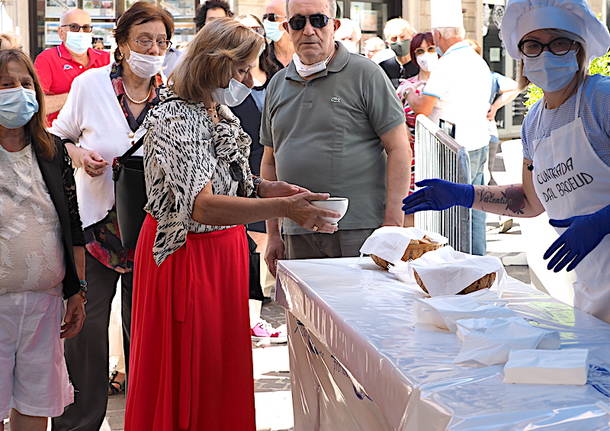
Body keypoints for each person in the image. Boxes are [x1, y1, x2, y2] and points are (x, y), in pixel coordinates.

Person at [124, 18, 338, 430]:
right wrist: (286, 209)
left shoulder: (216, 110)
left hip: (222, 254)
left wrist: (267, 187)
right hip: (187, 256)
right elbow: (201, 205)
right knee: (191, 369)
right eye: (240, 69)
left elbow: (226, 178)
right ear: (211, 64)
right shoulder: (174, 117)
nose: (246, 78)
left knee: (220, 369)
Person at [402, 0, 610, 323]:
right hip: (590, 290)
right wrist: (465, 195)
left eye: (558, 43)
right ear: (521, 55)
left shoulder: (601, 100)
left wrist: (603, 221)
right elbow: (530, 201)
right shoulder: (534, 123)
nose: (545, 54)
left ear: (577, 49)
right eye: (533, 45)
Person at [48, 3, 173, 429]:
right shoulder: (90, 85)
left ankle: (146, 418)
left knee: (146, 332)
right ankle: (79, 422)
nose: (152, 49)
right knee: (85, 331)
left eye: (160, 41)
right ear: (121, 44)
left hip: (152, 230)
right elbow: (57, 138)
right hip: (96, 227)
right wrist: (81, 156)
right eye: (143, 40)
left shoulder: (172, 93)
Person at [261, 0, 412, 274]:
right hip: (297, 229)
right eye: (298, 22)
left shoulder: (366, 74)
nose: (308, 30)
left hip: (359, 228)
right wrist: (273, 233)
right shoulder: (277, 84)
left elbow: (399, 148)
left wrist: (392, 223)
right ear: (287, 28)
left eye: (318, 20)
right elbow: (270, 162)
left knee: (360, 314)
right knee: (303, 315)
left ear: (335, 25)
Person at [0, 48, 85, 431]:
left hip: (44, 305)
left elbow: (72, 225)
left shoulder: (52, 151)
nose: (18, 91)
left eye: (24, 83)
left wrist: (77, 291)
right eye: (5, 85)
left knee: (36, 404)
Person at [405, 0, 492, 255]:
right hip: (479, 142)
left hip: (454, 148)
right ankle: (477, 261)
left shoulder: (448, 64)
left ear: (438, 35)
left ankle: (459, 263)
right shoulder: (478, 61)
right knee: (476, 209)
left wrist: (410, 94)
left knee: (453, 214)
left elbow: (422, 107)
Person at [232, 13, 287, 342]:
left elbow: (329, 101)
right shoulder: (222, 89)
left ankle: (259, 312)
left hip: (267, 164)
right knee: (246, 248)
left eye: (256, 29)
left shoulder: (279, 75)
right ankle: (247, 314)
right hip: (241, 171)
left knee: (265, 243)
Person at [33, 9, 110, 126]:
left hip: (99, 133)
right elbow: (37, 104)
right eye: (74, 27)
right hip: (58, 136)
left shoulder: (106, 59)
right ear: (61, 32)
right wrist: (78, 96)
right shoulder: (46, 59)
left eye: (86, 28)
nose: (81, 32)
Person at [396, 31, 439, 226]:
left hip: (439, 157)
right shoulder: (405, 86)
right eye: (420, 51)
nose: (426, 55)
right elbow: (393, 118)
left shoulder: (445, 83)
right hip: (411, 158)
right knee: (411, 208)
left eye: (430, 49)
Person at [466, 39, 521, 186]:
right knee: (481, 180)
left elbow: (515, 87)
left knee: (477, 181)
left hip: (479, 134)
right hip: (484, 134)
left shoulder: (488, 77)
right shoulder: (488, 76)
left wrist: (495, 106)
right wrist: (495, 106)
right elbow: (516, 87)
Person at [378, 18, 419, 88]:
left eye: (402, 37)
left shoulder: (420, 65)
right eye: (394, 38)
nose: (399, 42)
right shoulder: (383, 68)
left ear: (412, 37)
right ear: (388, 43)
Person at [262, 0, 295, 69]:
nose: (266, 21)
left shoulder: (305, 56)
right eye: (264, 17)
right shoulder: (262, 56)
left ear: (288, 19)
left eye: (271, 17)